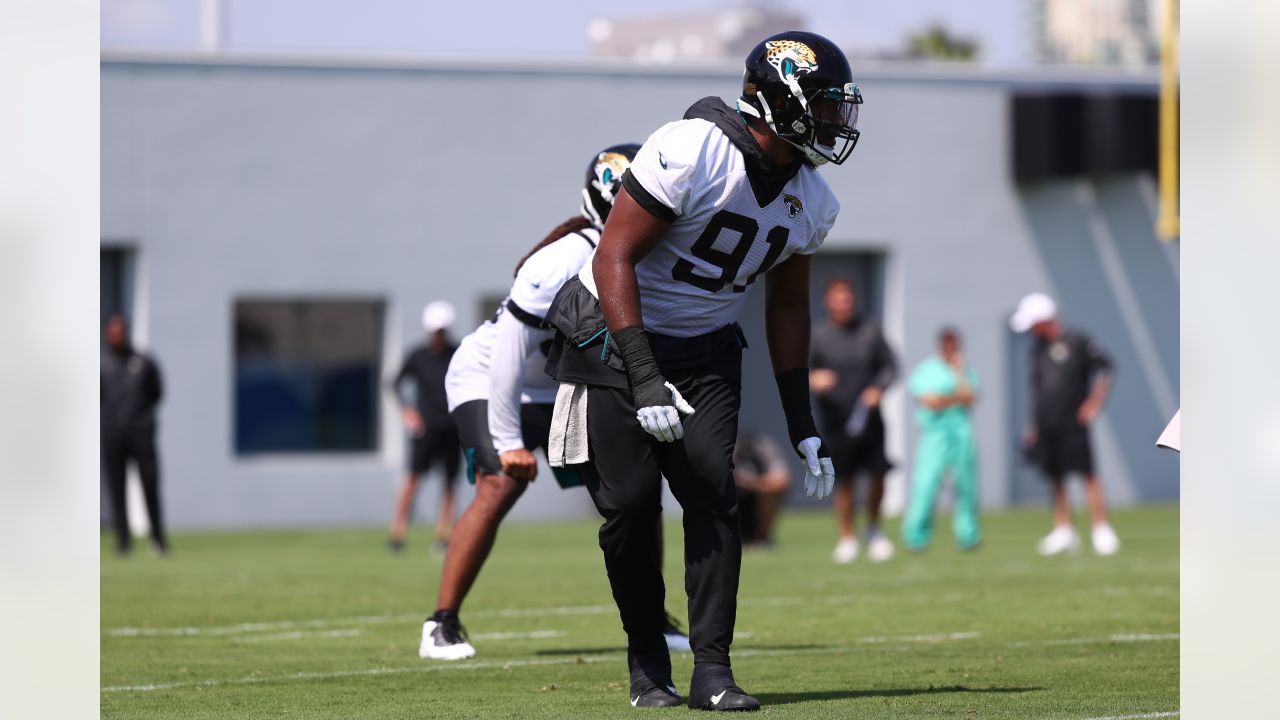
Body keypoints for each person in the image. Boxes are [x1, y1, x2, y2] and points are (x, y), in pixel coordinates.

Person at [544, 30, 859, 710]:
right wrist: (643, 372)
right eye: (826, 106)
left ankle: (713, 671)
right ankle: (647, 665)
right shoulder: (694, 150)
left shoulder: (814, 200)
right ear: (781, 100)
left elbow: (787, 309)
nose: (837, 122)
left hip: (708, 349)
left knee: (714, 494)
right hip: (615, 336)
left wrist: (802, 420)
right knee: (629, 506)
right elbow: (613, 257)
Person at [419, 144, 689, 660]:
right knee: (500, 484)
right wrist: (506, 439)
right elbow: (507, 351)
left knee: (635, 490)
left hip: (562, 383)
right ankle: (441, 623)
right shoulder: (565, 257)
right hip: (493, 378)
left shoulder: (653, 259)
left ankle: (652, 616)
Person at [1010, 292, 1121, 556]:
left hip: (1073, 422)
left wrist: (1093, 403)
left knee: (1087, 473)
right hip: (1047, 422)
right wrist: (1034, 425)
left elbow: (1106, 368)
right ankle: (1064, 529)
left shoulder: (1078, 341)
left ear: (1044, 320)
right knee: (1055, 475)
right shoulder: (1036, 348)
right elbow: (1038, 388)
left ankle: (1101, 529)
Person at [810, 276, 898, 564]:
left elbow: (890, 366)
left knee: (877, 474)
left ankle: (874, 530)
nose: (843, 302)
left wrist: (878, 389)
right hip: (836, 420)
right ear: (828, 301)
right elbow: (802, 372)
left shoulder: (869, 331)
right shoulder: (819, 337)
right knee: (844, 479)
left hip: (870, 419)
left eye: (848, 297)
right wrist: (814, 379)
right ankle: (847, 537)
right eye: (838, 297)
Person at [388, 301, 461, 554]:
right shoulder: (418, 356)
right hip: (426, 429)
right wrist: (408, 412)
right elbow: (395, 383)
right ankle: (397, 533)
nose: (438, 335)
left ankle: (443, 535)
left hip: (453, 428)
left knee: (450, 483)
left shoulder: (459, 352)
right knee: (412, 479)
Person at [901, 327, 981, 552]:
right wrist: (956, 397)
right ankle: (916, 536)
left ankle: (969, 536)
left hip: (962, 433)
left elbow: (972, 395)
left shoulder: (964, 370)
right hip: (935, 435)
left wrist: (959, 375)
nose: (952, 349)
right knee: (926, 485)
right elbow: (931, 401)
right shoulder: (927, 371)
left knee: (966, 486)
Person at [101, 314, 168, 555]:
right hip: (112, 436)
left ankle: (158, 539)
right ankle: (123, 541)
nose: (118, 335)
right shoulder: (101, 364)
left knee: (149, 484)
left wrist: (143, 421)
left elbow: (157, 393)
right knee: (116, 489)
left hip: (141, 434)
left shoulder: (144, 362)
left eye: (121, 331)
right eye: (113, 331)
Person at [732, 432, 791, 547]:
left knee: (770, 494)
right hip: (732, 501)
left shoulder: (767, 448)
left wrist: (753, 484)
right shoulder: (729, 450)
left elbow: (782, 481)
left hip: (756, 502)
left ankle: (762, 538)